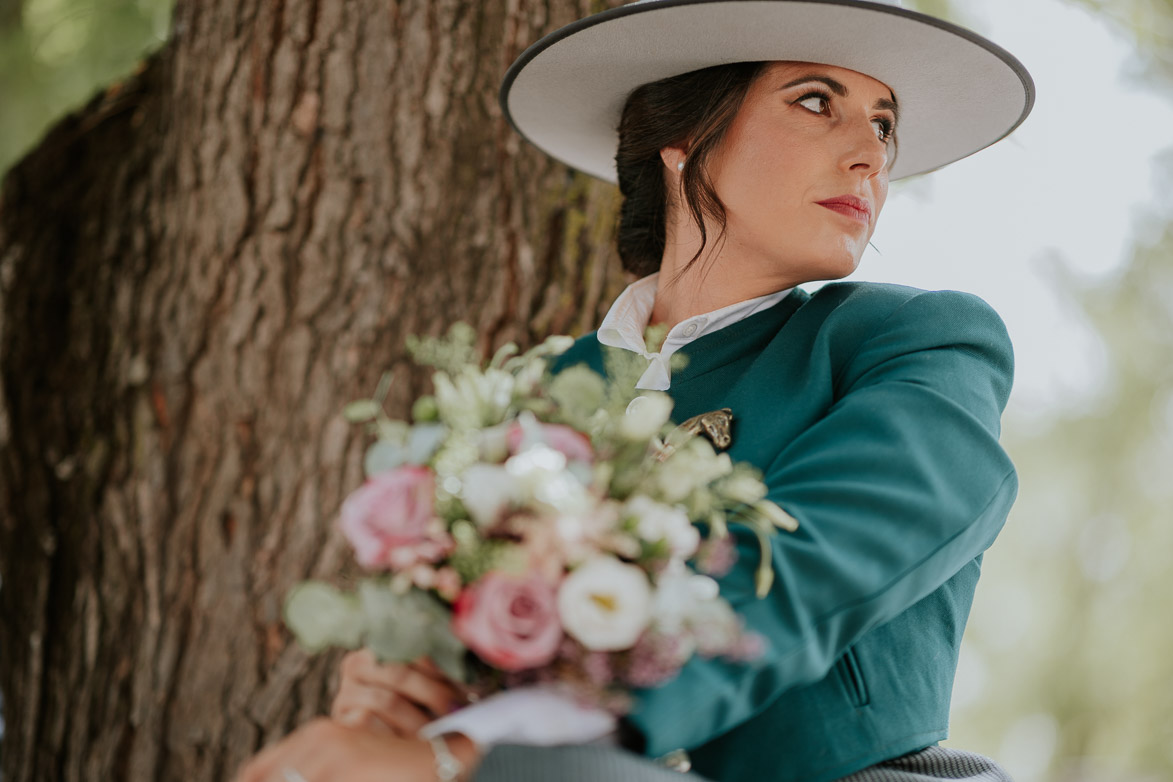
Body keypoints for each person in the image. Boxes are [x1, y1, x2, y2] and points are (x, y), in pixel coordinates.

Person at [233, 1, 1035, 780]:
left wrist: (478, 750)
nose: (870, 154)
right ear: (683, 136)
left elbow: (802, 571)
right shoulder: (529, 396)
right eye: (817, 101)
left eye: (884, 124)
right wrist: (405, 683)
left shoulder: (922, 342)